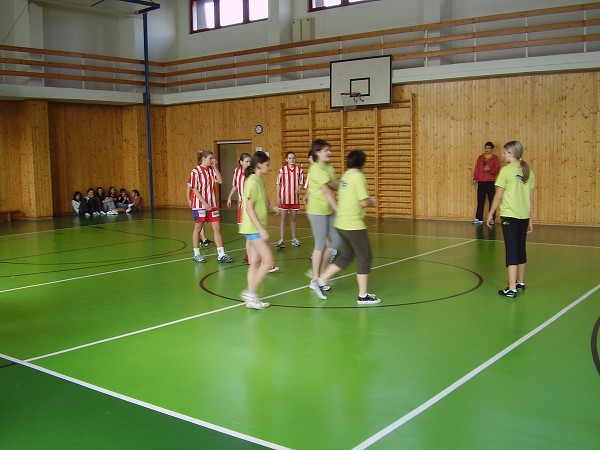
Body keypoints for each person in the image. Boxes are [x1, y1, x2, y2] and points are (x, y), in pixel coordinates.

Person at [317, 150, 381, 305]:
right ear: (362, 162)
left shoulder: (346, 176)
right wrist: (372, 201)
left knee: (347, 255)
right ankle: (363, 295)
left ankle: (320, 281)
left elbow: (339, 188)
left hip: (341, 223)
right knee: (364, 256)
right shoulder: (358, 177)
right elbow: (363, 202)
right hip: (353, 224)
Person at [486, 140, 535, 299]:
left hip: (510, 215)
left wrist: (490, 214)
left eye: (506, 152)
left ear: (512, 154)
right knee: (521, 248)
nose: (503, 155)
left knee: (512, 249)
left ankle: (512, 288)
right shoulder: (528, 170)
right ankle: (521, 282)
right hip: (523, 215)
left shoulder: (506, 171)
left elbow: (498, 196)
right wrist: (530, 220)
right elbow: (531, 199)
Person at [239, 151, 278, 309]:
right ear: (259, 165)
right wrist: (261, 229)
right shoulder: (252, 182)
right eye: (267, 165)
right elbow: (249, 208)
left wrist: (271, 207)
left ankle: (251, 301)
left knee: (254, 262)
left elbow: (260, 202)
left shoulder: (259, 181)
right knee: (268, 261)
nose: (269, 168)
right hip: (253, 228)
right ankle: (251, 292)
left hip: (252, 228)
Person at [306, 139, 340, 300]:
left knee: (334, 242)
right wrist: (338, 209)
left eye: (329, 149)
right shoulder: (317, 169)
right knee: (320, 244)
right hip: (317, 211)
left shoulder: (328, 166)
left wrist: (343, 184)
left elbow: (333, 184)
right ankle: (315, 280)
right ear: (317, 152)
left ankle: (320, 275)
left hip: (327, 210)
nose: (329, 152)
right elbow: (326, 191)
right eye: (326, 150)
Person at [187, 149, 234, 263]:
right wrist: (204, 203)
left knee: (217, 228)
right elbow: (194, 189)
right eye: (210, 158)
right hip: (200, 205)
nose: (213, 160)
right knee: (198, 229)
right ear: (203, 159)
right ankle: (196, 254)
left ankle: (221, 254)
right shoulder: (195, 171)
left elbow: (220, 181)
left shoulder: (211, 170)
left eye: (213, 158)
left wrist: (215, 167)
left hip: (212, 204)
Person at [275, 151, 304, 248]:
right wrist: (278, 196)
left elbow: (301, 183)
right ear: (286, 159)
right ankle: (282, 239)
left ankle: (294, 239)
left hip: (294, 200)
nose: (292, 159)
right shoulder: (282, 171)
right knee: (283, 219)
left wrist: (300, 187)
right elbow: (278, 184)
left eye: (293, 158)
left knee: (293, 219)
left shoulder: (299, 171)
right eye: (290, 158)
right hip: (284, 199)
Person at [472, 141, 500, 224]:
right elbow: (477, 168)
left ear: (492, 149)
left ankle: (492, 219)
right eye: (486, 147)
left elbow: (497, 169)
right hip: (481, 182)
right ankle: (479, 218)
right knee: (480, 200)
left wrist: (490, 170)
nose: (486, 149)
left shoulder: (495, 158)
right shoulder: (480, 157)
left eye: (488, 148)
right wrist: (475, 178)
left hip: (490, 182)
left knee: (492, 200)